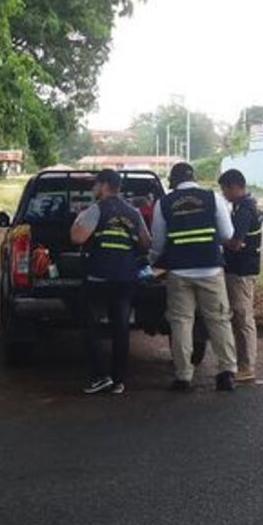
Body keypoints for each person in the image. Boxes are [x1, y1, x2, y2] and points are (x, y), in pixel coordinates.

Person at [150, 162, 239, 392]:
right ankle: (226, 373)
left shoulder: (164, 203)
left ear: (173, 180)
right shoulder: (213, 198)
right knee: (219, 320)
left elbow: (157, 242)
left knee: (181, 322)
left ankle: (183, 375)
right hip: (210, 268)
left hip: (179, 271)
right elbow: (227, 233)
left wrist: (151, 263)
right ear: (194, 178)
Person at [70, 169, 152, 395]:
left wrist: (77, 220)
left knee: (90, 326)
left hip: (99, 277)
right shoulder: (134, 212)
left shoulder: (96, 209)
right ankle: (118, 381)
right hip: (126, 278)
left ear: (104, 185)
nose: (93, 189)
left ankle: (100, 376)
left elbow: (77, 237)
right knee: (121, 328)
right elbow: (146, 243)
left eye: (95, 185)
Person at [217, 169, 262, 384]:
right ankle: (242, 363)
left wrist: (218, 239)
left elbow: (236, 243)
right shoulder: (244, 206)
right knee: (238, 316)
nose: (224, 194)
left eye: (225, 189)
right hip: (241, 268)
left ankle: (247, 366)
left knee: (243, 317)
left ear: (234, 187)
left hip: (241, 271)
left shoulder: (244, 210)